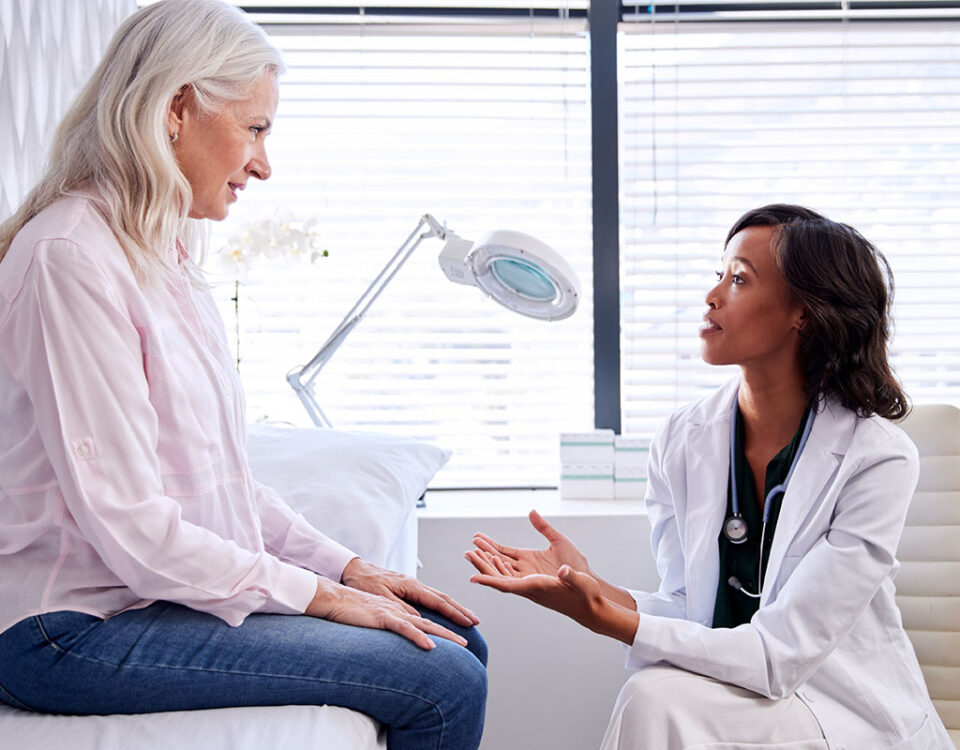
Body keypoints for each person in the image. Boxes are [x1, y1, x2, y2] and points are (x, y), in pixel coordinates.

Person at [0, 2, 486, 748]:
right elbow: (135, 526)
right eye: (254, 129)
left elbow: (221, 484)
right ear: (176, 109)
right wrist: (318, 597)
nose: (263, 162)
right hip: (63, 629)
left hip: (138, 602)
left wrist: (352, 569)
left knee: (454, 637)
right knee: (443, 677)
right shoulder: (72, 258)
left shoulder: (163, 258)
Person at [467, 204, 953, 750]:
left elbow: (778, 657)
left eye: (739, 279)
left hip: (838, 710)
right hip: (736, 697)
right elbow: (688, 611)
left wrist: (607, 618)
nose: (712, 296)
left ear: (804, 313)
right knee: (654, 695)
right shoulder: (681, 438)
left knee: (653, 697)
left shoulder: (876, 459)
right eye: (717, 275)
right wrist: (586, 589)